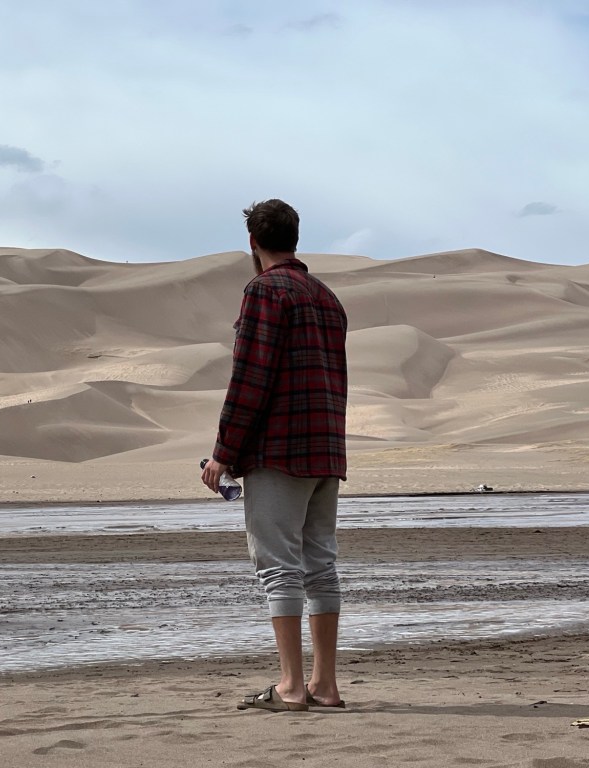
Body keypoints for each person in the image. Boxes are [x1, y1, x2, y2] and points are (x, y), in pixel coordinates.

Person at [201, 199, 348, 713]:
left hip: (280, 450)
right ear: (295, 237)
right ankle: (324, 685)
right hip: (325, 449)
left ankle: (290, 686)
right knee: (320, 564)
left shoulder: (264, 290)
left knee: (279, 566)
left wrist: (223, 453)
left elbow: (250, 376)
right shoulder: (326, 296)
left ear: (253, 242)